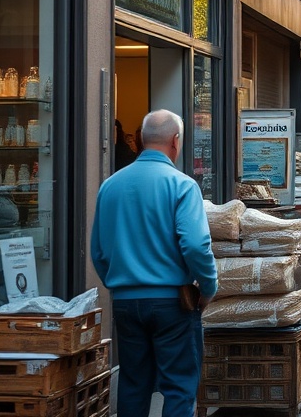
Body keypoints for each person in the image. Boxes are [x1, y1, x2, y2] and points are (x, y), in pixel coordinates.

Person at [91, 109, 218, 417]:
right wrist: (208, 285)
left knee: (134, 383)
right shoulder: (183, 186)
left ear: (141, 141)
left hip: (125, 301)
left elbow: (98, 251)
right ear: (176, 141)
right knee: (178, 387)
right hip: (172, 302)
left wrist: (121, 283)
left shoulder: (110, 186)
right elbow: (195, 244)